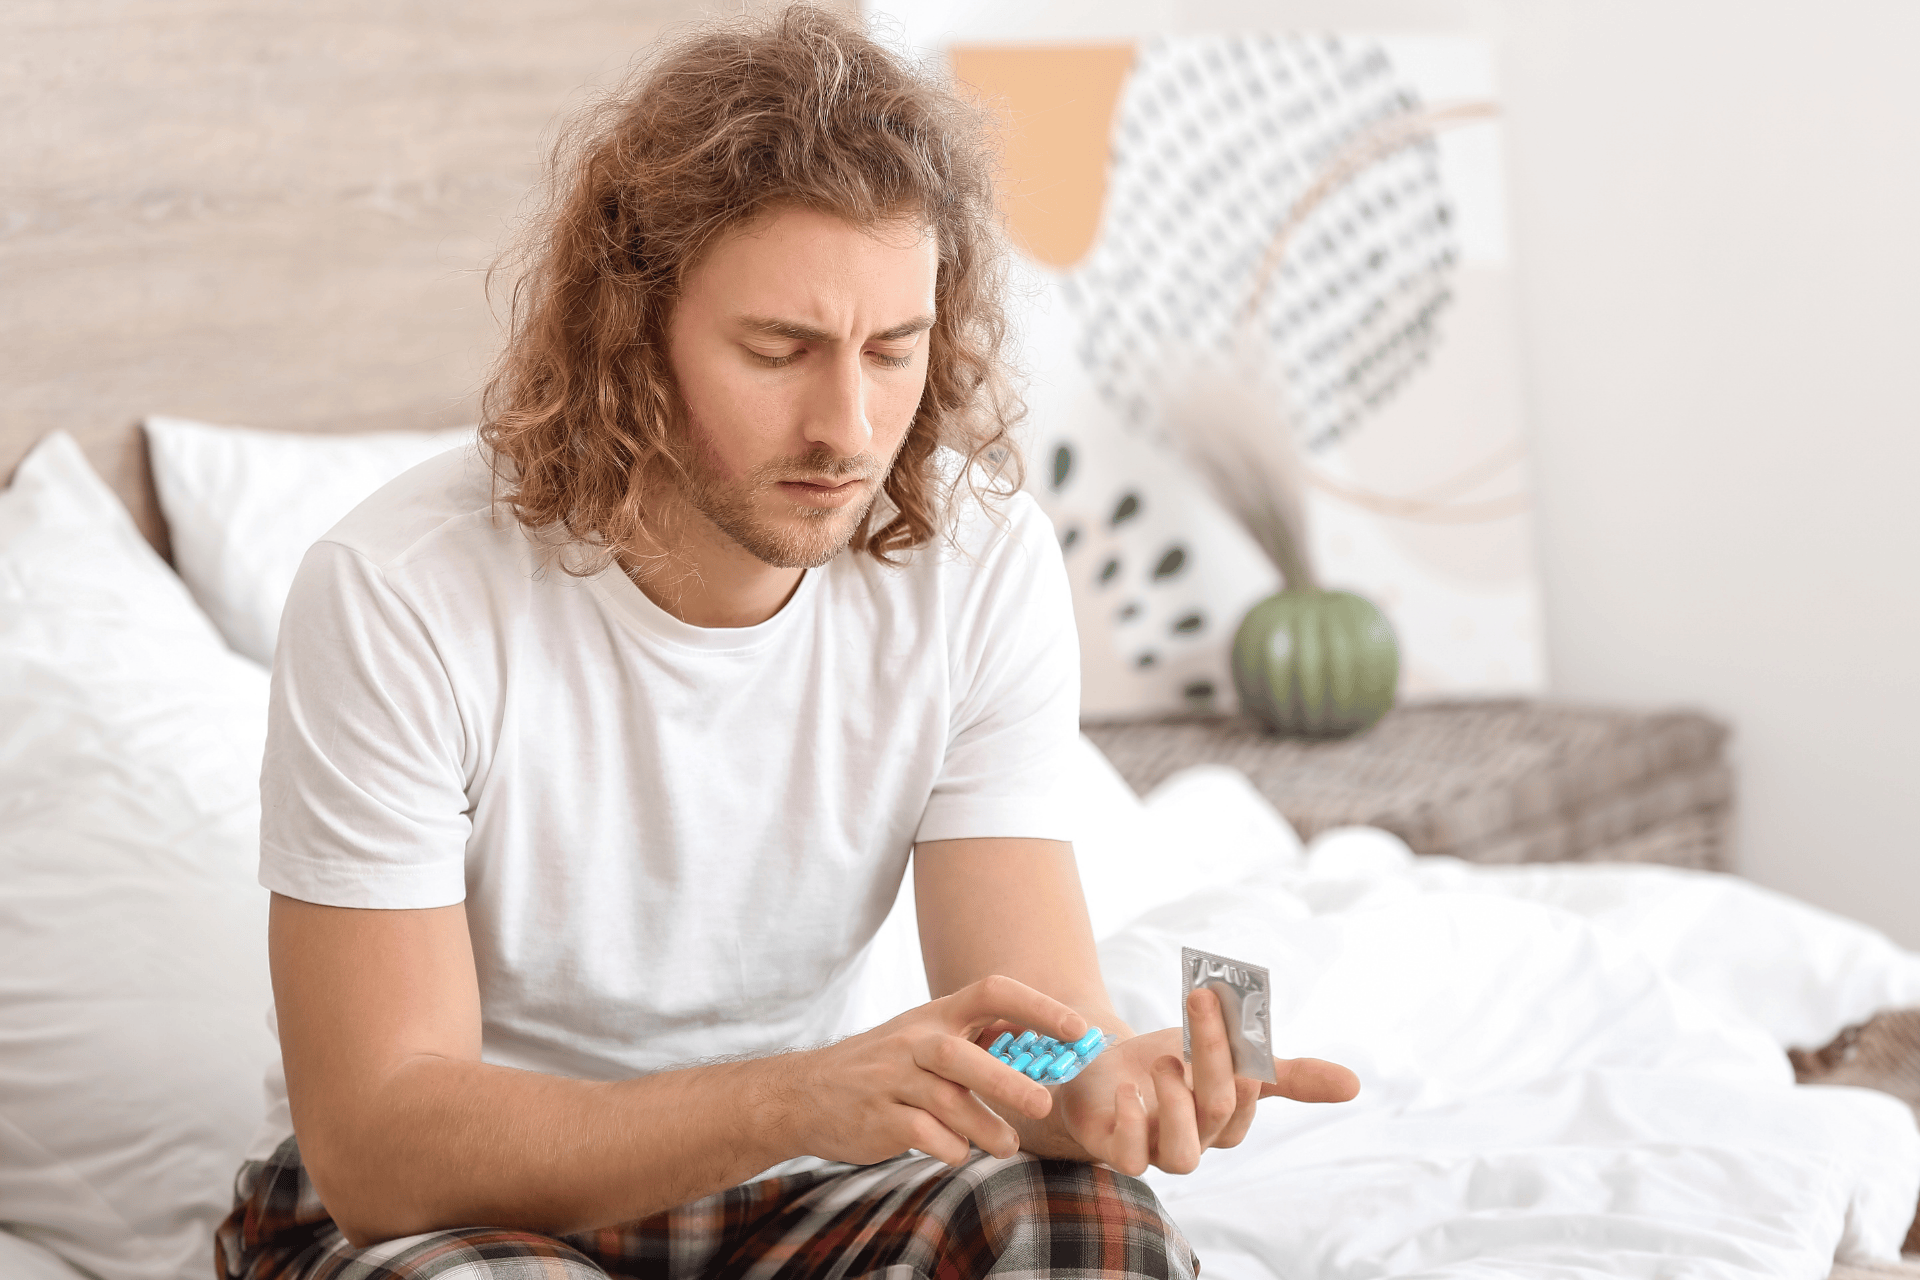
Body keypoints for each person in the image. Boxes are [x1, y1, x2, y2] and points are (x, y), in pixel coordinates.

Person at [216, 8, 1359, 1279]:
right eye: (781, 350)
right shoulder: (398, 596)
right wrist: (795, 1096)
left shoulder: (980, 568)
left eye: (894, 350)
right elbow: (380, 1148)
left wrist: (1092, 1082)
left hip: (786, 1194)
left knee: (1091, 1231)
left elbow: (1021, 1009)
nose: (849, 427)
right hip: (459, 1213)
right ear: (632, 336)